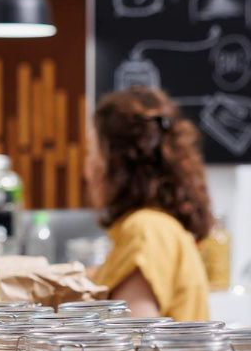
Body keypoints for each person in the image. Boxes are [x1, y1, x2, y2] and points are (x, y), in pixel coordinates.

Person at [87, 86, 211, 320]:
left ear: (114, 161)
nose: (88, 168)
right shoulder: (158, 226)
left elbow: (137, 337)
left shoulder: (145, 230)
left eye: (92, 151)